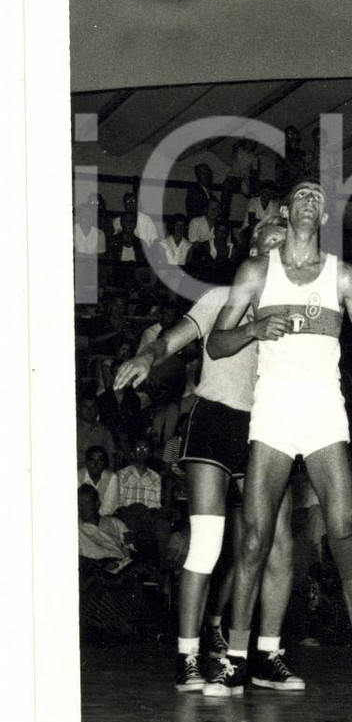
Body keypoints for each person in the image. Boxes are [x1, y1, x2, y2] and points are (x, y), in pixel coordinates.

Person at [205, 179, 352, 700]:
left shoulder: (342, 276)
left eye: (319, 196)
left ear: (324, 214)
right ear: (287, 211)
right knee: (255, 537)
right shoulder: (255, 273)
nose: (311, 200)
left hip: (323, 414)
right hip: (272, 414)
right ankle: (236, 658)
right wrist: (252, 330)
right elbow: (216, 344)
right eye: (302, 195)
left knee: (344, 528)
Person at [115, 220, 298, 693]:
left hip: (265, 430)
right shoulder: (222, 297)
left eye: (285, 245)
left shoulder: (295, 312)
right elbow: (171, 339)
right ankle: (188, 658)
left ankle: (266, 655)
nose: (277, 252)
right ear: (253, 250)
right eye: (270, 243)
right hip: (215, 420)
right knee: (208, 544)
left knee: (274, 545)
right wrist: (146, 358)